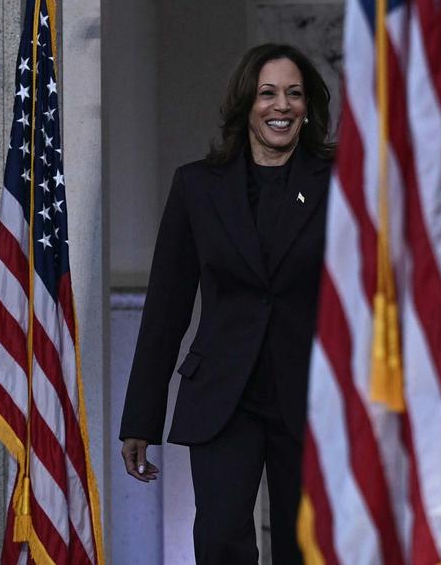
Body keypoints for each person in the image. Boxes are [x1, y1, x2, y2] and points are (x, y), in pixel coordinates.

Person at [118, 43, 334, 564]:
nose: (280, 105)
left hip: (311, 396)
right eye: (267, 93)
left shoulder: (339, 182)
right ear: (246, 103)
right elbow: (167, 307)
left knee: (304, 546)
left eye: (293, 94)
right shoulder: (197, 186)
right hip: (222, 398)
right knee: (219, 541)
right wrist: (140, 418)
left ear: (307, 108)